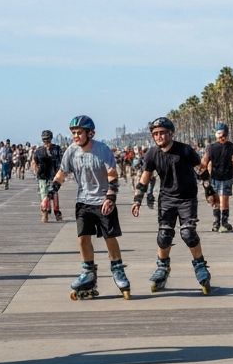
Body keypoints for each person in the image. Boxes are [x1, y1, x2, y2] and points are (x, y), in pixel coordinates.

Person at [46, 116, 130, 300]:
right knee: (83, 239)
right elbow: (61, 174)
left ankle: (118, 270)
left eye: (79, 133)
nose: (75, 136)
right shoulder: (71, 151)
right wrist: (49, 195)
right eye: (73, 133)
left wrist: (110, 197)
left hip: (103, 200)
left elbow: (112, 176)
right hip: (83, 202)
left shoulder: (102, 150)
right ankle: (88, 272)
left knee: (110, 238)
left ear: (89, 133)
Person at [131, 117, 213, 294]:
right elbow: (145, 177)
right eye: (155, 134)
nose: (159, 136)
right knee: (164, 235)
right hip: (167, 199)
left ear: (170, 133)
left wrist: (209, 191)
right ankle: (162, 267)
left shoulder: (185, 150)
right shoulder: (152, 153)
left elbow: (202, 170)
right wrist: (138, 199)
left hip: (187, 198)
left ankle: (200, 266)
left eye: (162, 133)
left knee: (188, 233)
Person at [200, 123, 233, 233]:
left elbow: (203, 163)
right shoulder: (229, 146)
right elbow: (204, 162)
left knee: (219, 200)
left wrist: (203, 176)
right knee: (220, 200)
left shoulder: (213, 147)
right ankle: (221, 222)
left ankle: (219, 223)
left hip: (220, 177)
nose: (223, 137)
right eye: (221, 135)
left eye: (223, 135)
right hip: (220, 177)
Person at [33, 130, 63, 223]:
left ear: (51, 138)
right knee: (43, 195)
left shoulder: (57, 149)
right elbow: (35, 162)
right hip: (42, 176)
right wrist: (35, 171)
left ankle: (57, 212)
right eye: (44, 139)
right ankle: (45, 213)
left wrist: (61, 174)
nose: (46, 141)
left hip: (54, 176)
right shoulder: (39, 151)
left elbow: (61, 162)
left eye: (48, 139)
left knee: (54, 195)